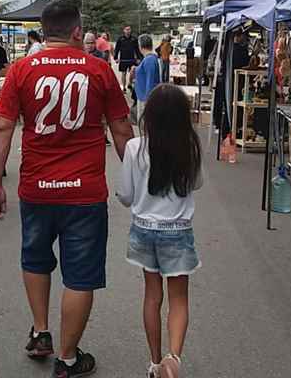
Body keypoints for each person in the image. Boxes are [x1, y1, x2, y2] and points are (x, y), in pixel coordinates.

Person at [0, 0, 134, 378]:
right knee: (80, 275)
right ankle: (68, 359)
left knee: (35, 259)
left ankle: (41, 332)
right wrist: (138, 181)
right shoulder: (99, 70)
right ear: (76, 31)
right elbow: (121, 129)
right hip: (84, 192)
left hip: (37, 187)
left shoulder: (21, 70)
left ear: (43, 28)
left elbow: (2, 127)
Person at [116, 84, 202, 378]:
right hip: (177, 230)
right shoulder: (189, 146)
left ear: (149, 115)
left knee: (152, 297)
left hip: (143, 230)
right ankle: (173, 358)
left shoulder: (134, 147)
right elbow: (197, 183)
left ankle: (154, 363)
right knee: (179, 299)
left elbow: (125, 195)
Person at [135, 36, 161, 115]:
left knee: (144, 123)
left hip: (145, 98)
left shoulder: (149, 60)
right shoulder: (148, 59)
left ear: (140, 45)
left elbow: (150, 80)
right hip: (143, 96)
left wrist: (148, 99)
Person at [114, 25, 141, 91]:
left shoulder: (134, 39)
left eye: (129, 29)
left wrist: (138, 58)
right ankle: (123, 87)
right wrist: (116, 58)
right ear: (124, 30)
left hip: (132, 59)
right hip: (123, 59)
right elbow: (117, 49)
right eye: (126, 29)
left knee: (133, 72)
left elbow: (137, 49)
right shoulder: (120, 39)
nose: (128, 31)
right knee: (123, 73)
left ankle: (130, 83)